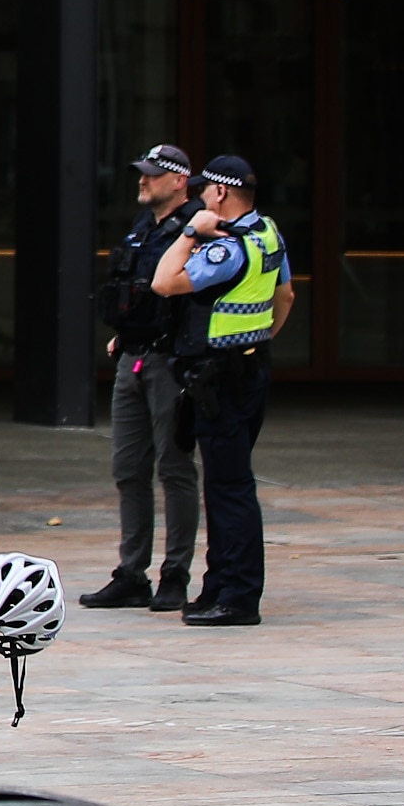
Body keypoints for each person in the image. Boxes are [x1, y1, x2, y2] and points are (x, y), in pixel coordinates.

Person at [151, 154, 291, 628]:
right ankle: (220, 585)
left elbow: (164, 282)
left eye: (206, 190)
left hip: (221, 377)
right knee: (230, 482)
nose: (201, 197)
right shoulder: (268, 232)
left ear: (222, 194)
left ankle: (238, 595)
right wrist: (260, 340)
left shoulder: (226, 247)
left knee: (229, 488)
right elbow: (286, 296)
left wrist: (191, 233)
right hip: (251, 369)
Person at [87, 143, 204, 611]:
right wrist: (124, 332)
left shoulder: (196, 228)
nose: (142, 180)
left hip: (170, 362)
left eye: (153, 174)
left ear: (179, 181)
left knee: (174, 467)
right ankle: (131, 573)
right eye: (141, 172)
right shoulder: (144, 227)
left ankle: (174, 574)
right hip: (133, 359)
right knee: (127, 469)